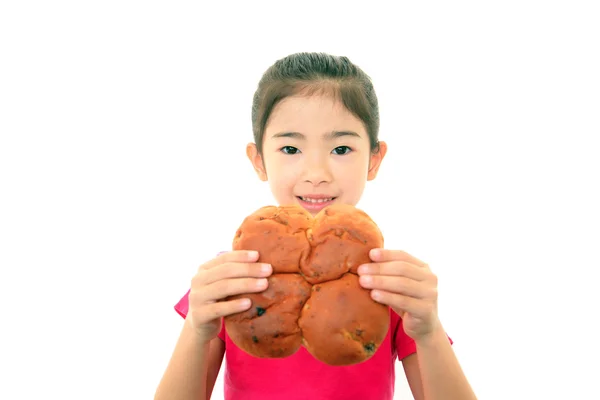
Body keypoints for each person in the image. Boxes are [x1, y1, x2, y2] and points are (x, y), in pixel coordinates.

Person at [154, 52, 477, 400]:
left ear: (374, 159)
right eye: (291, 148)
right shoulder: (230, 278)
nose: (317, 174)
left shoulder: (389, 282)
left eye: (341, 148)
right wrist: (197, 328)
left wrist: (428, 332)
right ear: (258, 160)